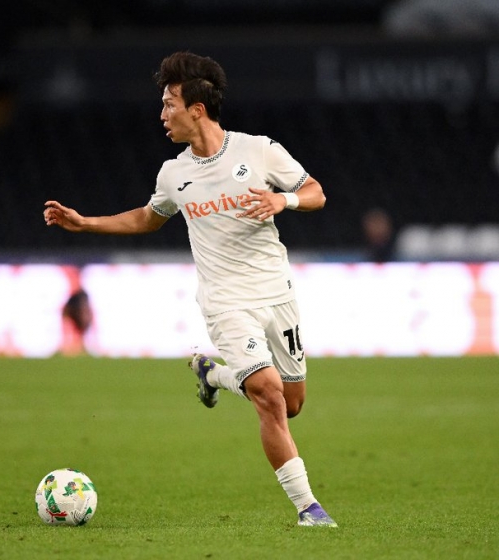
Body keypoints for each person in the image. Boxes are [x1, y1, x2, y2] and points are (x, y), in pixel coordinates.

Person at [44, 51, 337, 527]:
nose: (162, 114)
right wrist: (85, 222)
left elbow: (316, 193)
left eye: (169, 104)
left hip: (276, 292)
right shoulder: (173, 174)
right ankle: (310, 509)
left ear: (197, 109)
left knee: (292, 402)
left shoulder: (259, 150)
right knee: (267, 395)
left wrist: (282, 200)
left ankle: (214, 376)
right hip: (225, 301)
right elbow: (146, 218)